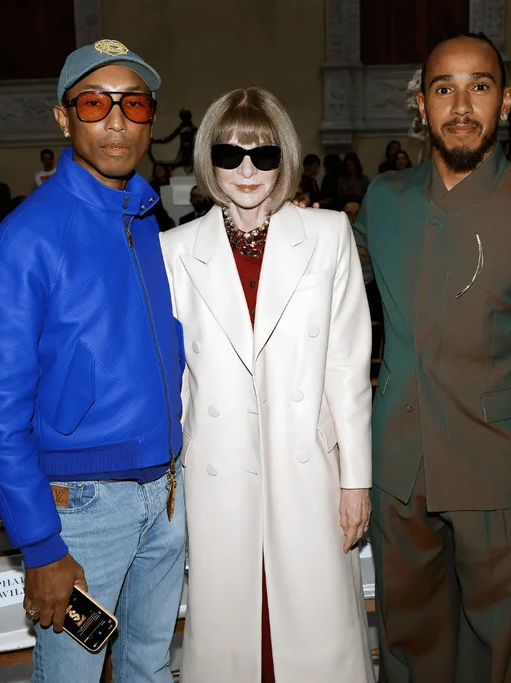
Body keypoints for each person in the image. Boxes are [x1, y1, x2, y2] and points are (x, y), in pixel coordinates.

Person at [354, 33, 511, 683]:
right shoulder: (384, 200)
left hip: (492, 461)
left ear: (506, 100)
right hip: (400, 466)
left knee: (501, 647)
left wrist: (501, 398)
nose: (461, 105)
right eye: (444, 88)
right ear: (421, 103)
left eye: (480, 86)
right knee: (408, 639)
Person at [0, 40, 186, 683]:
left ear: (151, 118)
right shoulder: (24, 240)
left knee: (149, 668)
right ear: (65, 118)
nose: (117, 120)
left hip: (166, 496)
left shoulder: (144, 218)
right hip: (83, 512)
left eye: (134, 103)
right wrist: (41, 546)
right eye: (95, 103)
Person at [160, 87, 374, 683]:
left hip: (308, 470)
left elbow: (347, 370)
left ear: (286, 158)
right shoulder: (175, 250)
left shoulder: (329, 235)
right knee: (231, 634)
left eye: (263, 153)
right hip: (216, 476)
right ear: (209, 161)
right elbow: (175, 385)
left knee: (315, 632)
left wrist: (356, 480)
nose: (247, 170)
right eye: (230, 156)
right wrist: (169, 485)